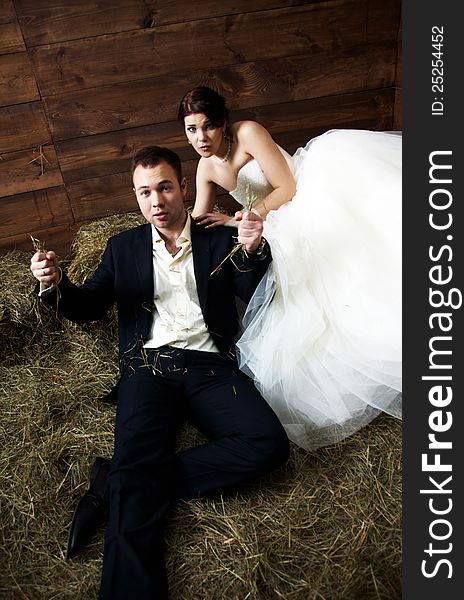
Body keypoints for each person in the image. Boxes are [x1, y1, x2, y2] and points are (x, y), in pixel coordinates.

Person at [30, 146, 290, 599]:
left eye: (165, 187)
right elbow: (88, 307)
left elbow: (252, 292)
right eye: (145, 192)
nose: (156, 201)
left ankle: (119, 480)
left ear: (183, 188)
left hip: (211, 366)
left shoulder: (216, 237)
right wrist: (52, 284)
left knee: (267, 444)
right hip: (147, 369)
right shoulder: (123, 247)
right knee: (139, 470)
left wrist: (250, 248)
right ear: (137, 196)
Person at [178, 86, 402, 451]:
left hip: (302, 200)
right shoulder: (205, 168)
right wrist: (172, 239)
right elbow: (199, 220)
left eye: (207, 127)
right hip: (266, 224)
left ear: (223, 123)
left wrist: (240, 219)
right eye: (191, 129)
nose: (201, 138)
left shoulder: (248, 133)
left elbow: (288, 187)